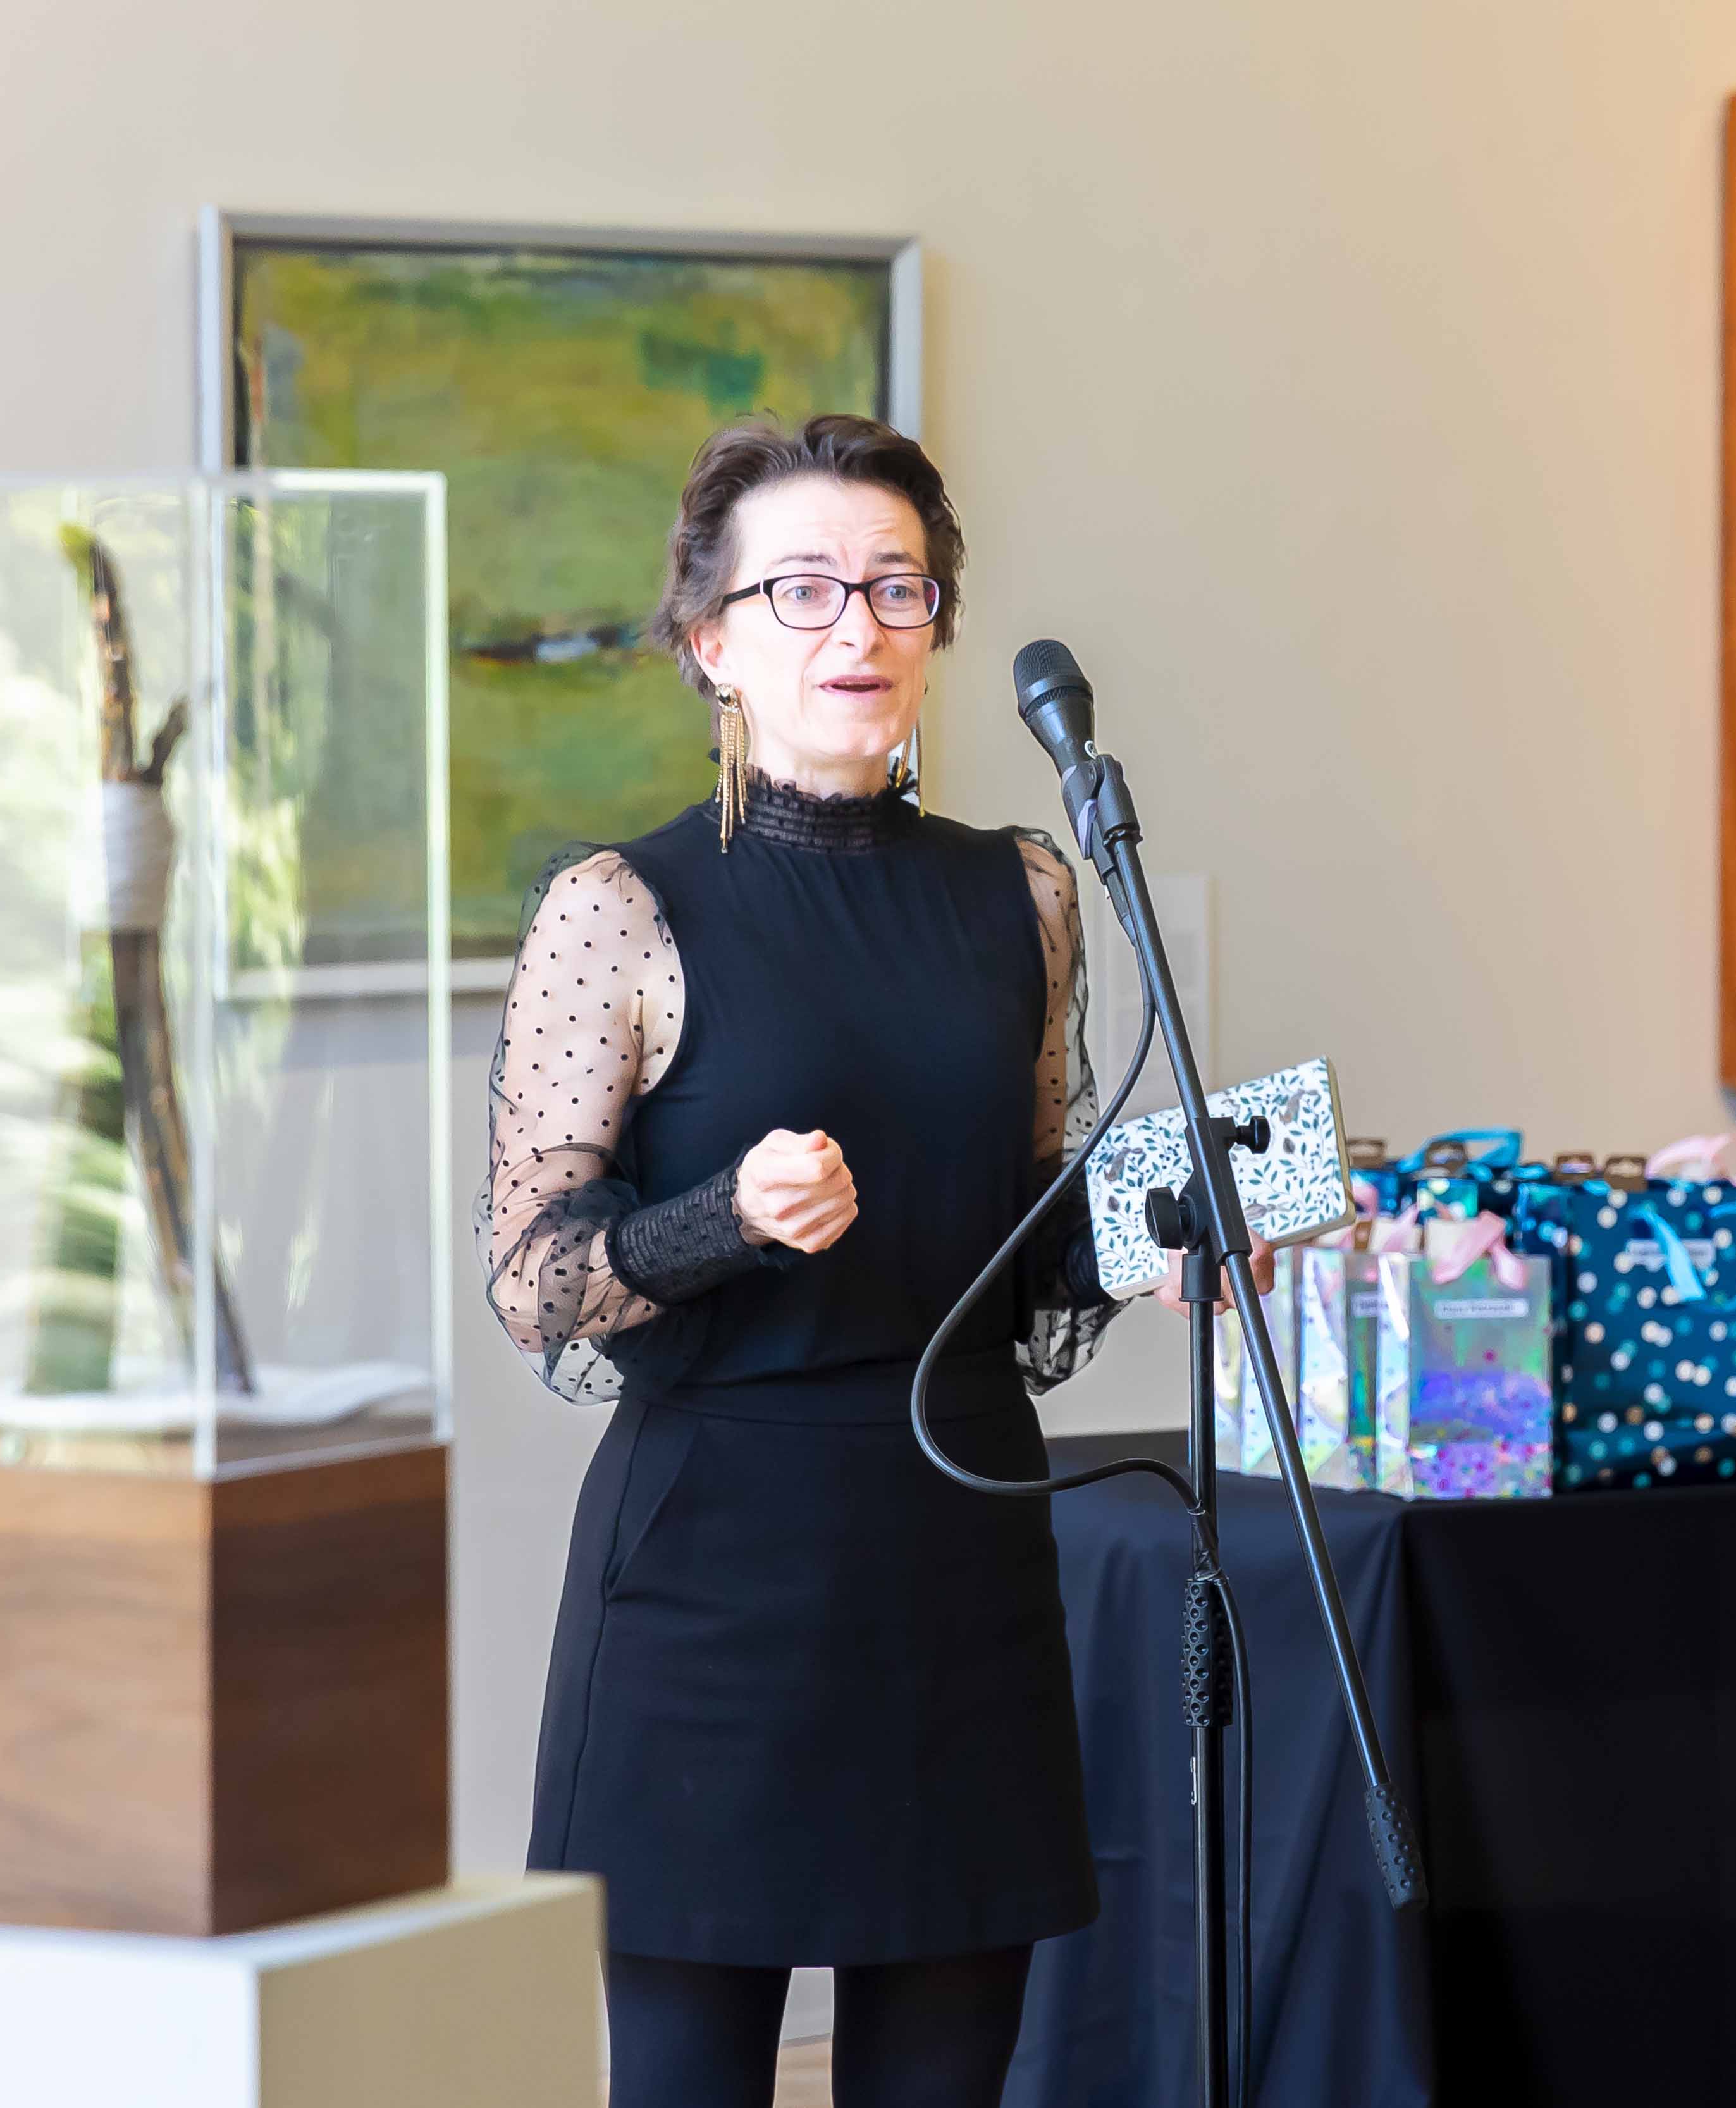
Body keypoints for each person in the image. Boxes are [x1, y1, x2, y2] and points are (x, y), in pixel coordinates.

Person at [477, 413, 1238, 2107]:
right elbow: (534, 1277)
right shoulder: (619, 907)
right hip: (710, 1590)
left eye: (899, 587)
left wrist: (1153, 1236)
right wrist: (725, 1218)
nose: (859, 627)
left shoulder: (1022, 892)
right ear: (711, 641)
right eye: (804, 589)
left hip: (957, 1565)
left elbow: (1018, 1234)